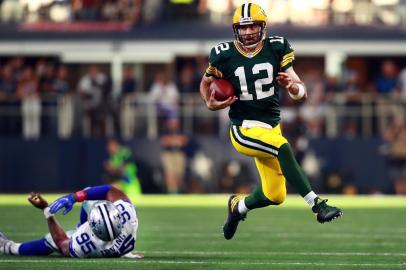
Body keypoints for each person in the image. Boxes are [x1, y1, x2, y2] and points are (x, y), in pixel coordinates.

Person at [199, 3, 342, 240]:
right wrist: (209, 103)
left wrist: (292, 87)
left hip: (270, 125)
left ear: (262, 26)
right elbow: (205, 83)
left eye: (252, 26)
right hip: (244, 129)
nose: (246, 33)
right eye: (242, 28)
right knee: (282, 147)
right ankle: (318, 205)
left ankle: (238, 207)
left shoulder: (277, 48)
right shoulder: (223, 55)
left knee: (275, 195)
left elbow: (301, 92)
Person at [0, 185, 143, 258]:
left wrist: (46, 210)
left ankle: (8, 247)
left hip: (98, 245)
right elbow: (110, 190)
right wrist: (75, 197)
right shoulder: (128, 216)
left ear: (91, 227)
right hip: (118, 245)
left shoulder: (87, 245)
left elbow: (61, 242)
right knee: (89, 196)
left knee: (50, 241)